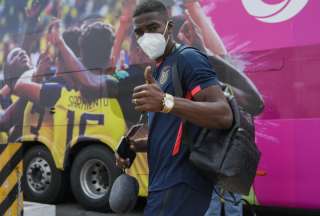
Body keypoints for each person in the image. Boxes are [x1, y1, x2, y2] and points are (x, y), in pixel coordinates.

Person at [116, 1, 233, 215]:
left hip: (182, 187)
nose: (146, 37)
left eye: (152, 28)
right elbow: (173, 132)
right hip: (161, 186)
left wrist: (165, 102)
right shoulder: (160, 69)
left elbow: (223, 114)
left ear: (169, 27)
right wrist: (135, 146)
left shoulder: (187, 58)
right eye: (139, 33)